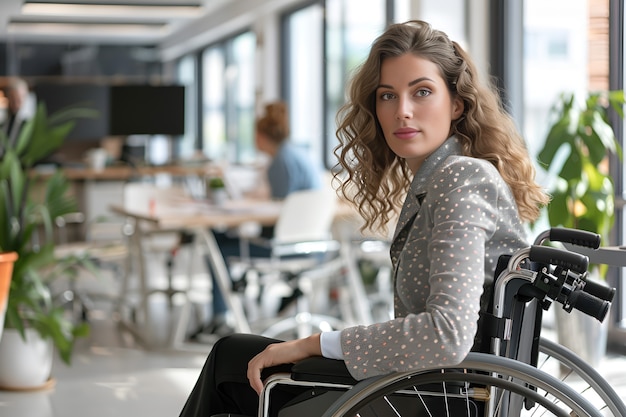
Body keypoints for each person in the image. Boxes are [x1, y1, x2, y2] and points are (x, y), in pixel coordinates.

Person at [178, 20, 549, 417]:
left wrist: (314, 343)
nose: (402, 111)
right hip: (423, 385)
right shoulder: (438, 178)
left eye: (422, 92)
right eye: (388, 95)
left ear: (456, 104)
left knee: (232, 369)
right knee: (230, 356)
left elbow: (447, 334)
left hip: (433, 396)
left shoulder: (461, 177)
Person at [192, 101, 322, 339]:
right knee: (223, 238)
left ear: (261, 136)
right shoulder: (295, 155)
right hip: (314, 245)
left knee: (217, 243)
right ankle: (224, 312)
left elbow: (280, 208)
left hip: (285, 248)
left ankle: (221, 316)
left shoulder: (280, 162)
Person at [1, 77, 31, 143]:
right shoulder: (3, 120)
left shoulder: (30, 124)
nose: (15, 104)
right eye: (12, 99)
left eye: (18, 100)